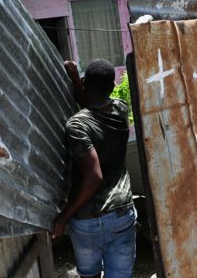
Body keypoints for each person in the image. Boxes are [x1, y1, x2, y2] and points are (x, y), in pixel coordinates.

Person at [52, 58, 136, 278]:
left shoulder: (76, 125)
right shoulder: (120, 109)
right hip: (121, 213)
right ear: (113, 87)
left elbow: (94, 177)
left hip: (87, 221)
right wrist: (76, 80)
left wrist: (63, 218)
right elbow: (92, 106)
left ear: (84, 82)